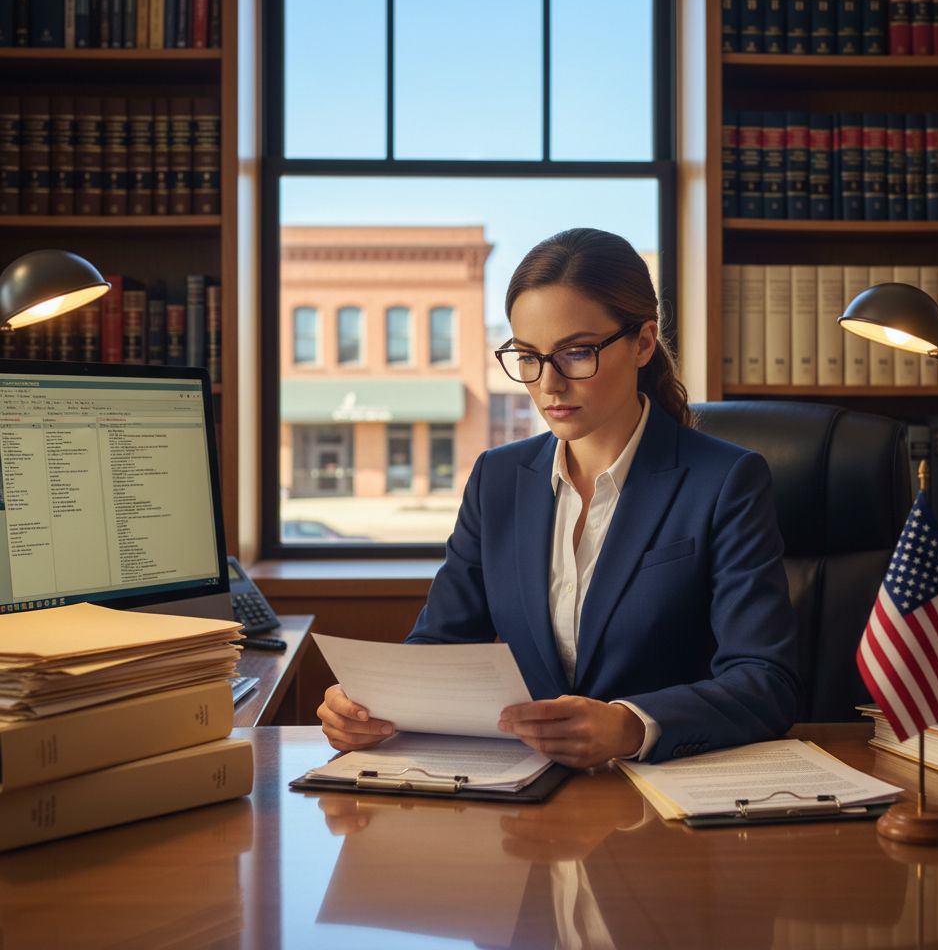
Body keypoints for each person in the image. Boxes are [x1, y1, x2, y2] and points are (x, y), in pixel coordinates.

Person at [318, 227, 800, 767]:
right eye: (528, 356)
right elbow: (440, 647)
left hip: (663, 797)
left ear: (643, 343)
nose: (548, 385)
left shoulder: (726, 479)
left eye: (576, 353)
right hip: (523, 795)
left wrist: (630, 725)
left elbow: (765, 681)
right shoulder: (497, 479)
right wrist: (371, 705)